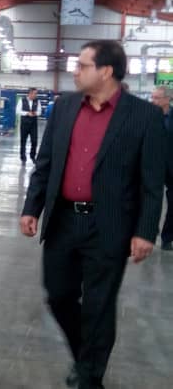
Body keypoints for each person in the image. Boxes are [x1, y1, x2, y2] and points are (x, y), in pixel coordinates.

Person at [20, 40, 164, 389]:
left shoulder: (143, 116)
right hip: (63, 220)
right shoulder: (65, 107)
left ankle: (90, 376)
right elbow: (46, 163)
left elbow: (152, 182)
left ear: (106, 71)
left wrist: (145, 231)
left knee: (99, 304)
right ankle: (86, 356)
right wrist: (32, 207)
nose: (75, 72)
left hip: (109, 224)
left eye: (82, 66)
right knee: (59, 295)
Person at [149, 85, 173, 251]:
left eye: (157, 98)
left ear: (168, 99)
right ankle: (149, 233)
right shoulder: (148, 116)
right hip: (151, 166)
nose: (153, 101)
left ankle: (167, 238)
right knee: (150, 201)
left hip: (171, 166)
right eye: (153, 97)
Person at [16, 87, 40, 163]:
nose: (36, 95)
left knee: (34, 141)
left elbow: (40, 111)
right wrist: (27, 113)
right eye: (35, 93)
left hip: (33, 124)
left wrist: (36, 113)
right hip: (24, 124)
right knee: (23, 141)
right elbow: (18, 111)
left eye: (36, 93)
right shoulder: (22, 100)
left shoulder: (37, 101)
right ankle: (23, 157)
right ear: (30, 93)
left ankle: (32, 156)